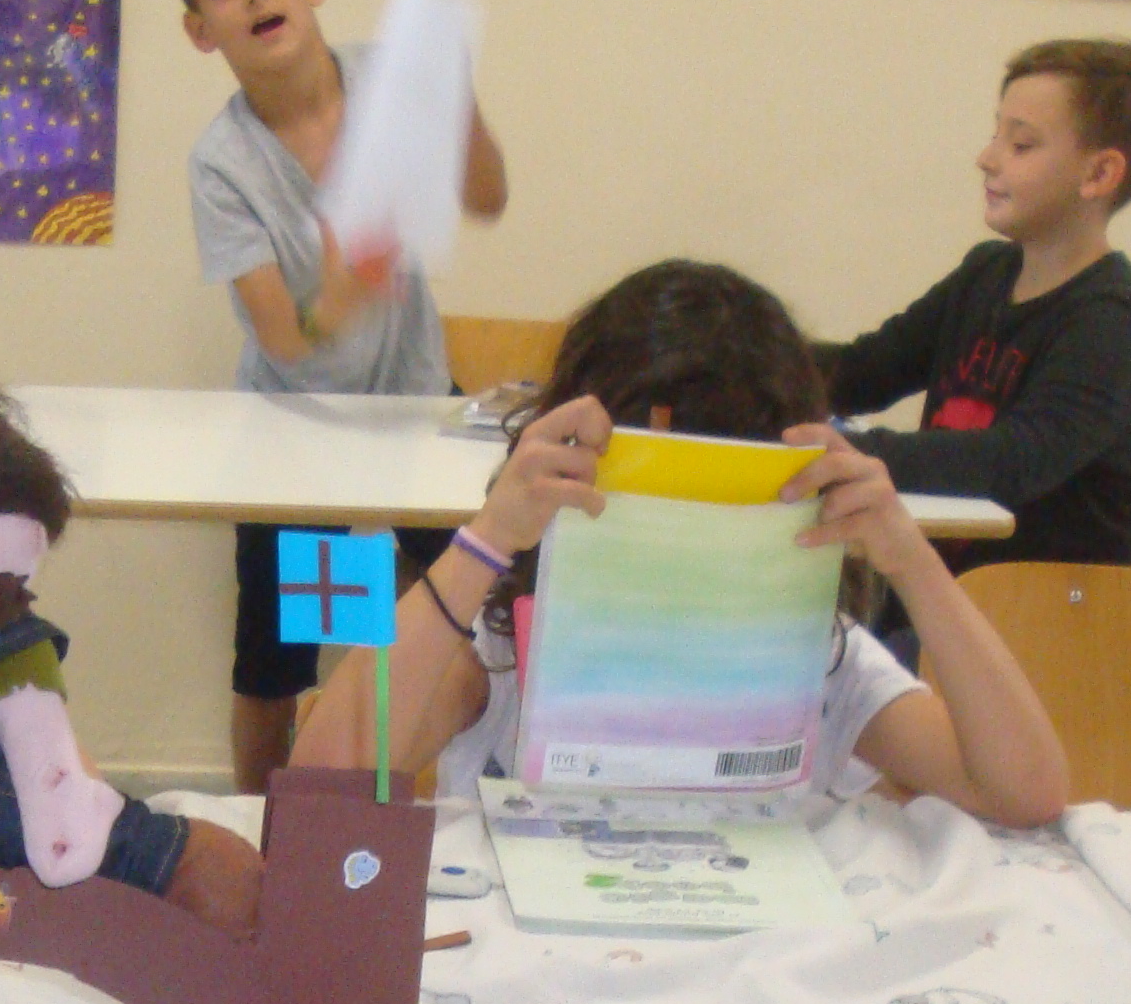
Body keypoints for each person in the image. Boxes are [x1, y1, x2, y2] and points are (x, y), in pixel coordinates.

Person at [290, 258, 1070, 829]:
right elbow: (323, 783)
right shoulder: (502, 646)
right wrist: (487, 539)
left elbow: (1024, 792)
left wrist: (913, 562)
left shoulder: (816, 660)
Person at [167, 0, 507, 796]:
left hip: (417, 406)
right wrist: (341, 293)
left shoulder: (389, 81)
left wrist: (459, 101)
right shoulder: (221, 162)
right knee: (276, 659)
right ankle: (261, 827)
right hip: (294, 428)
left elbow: (487, 197)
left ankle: (477, 797)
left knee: (488, 612)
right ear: (201, 30)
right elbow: (285, 338)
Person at [828, 38, 1131, 581]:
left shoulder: (1112, 322)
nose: (987, 158)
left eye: (1021, 144)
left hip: (1047, 610)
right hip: (953, 595)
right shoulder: (986, 274)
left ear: (1098, 175)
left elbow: (1011, 461)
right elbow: (865, 370)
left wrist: (844, 454)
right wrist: (745, 368)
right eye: (996, 134)